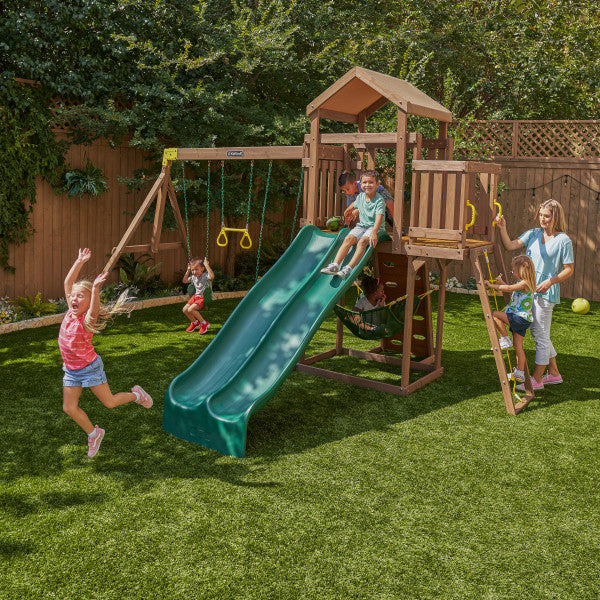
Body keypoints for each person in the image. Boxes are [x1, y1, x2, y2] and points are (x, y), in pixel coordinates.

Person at [60, 248, 153, 458]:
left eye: (79, 296)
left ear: (87, 301)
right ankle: (94, 433)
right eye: (73, 296)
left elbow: (93, 310)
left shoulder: (85, 321)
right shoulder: (70, 310)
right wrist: (79, 262)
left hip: (89, 368)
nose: (74, 298)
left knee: (109, 403)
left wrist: (94, 290)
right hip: (71, 370)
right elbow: (67, 283)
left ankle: (137, 394)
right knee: (69, 407)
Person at [496, 199, 574, 391]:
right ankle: (554, 373)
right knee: (542, 334)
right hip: (528, 292)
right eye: (540, 215)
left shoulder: (563, 240)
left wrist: (550, 281)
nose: (542, 219)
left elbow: (569, 269)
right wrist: (502, 228)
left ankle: (537, 380)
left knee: (539, 335)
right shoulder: (533, 234)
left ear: (555, 217)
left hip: (545, 294)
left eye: (546, 216)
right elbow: (510, 245)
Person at [321, 170, 387, 280]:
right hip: (362, 226)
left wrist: (374, 232)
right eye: (364, 183)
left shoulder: (379, 201)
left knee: (362, 241)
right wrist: (348, 210)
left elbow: (379, 219)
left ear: (377, 185)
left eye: (371, 182)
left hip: (375, 227)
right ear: (360, 185)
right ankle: (335, 265)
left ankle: (348, 268)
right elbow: (354, 204)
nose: (367, 185)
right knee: (348, 239)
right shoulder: (360, 197)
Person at [485, 255, 537, 383]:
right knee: (518, 346)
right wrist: (501, 283)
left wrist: (492, 286)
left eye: (514, 270)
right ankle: (520, 373)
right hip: (523, 320)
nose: (512, 272)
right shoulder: (524, 284)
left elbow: (508, 289)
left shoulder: (525, 283)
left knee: (494, 314)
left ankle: (504, 339)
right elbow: (511, 290)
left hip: (519, 317)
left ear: (522, 270)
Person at [182, 257, 214, 334]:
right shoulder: (193, 277)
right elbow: (184, 281)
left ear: (202, 269)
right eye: (193, 270)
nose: (194, 272)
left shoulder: (205, 276)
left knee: (191, 309)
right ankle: (195, 323)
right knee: (185, 310)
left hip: (204, 296)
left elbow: (212, 276)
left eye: (196, 269)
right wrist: (188, 270)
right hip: (196, 296)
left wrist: (207, 265)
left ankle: (204, 323)